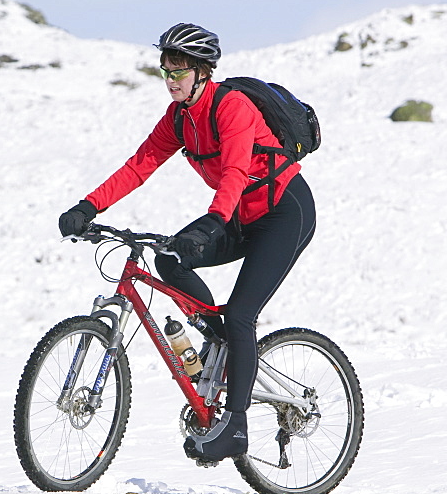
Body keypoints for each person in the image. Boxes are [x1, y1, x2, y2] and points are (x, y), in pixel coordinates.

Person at [58, 23, 316, 462]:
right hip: (236, 212)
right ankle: (222, 343)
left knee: (240, 314)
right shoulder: (179, 118)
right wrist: (89, 206)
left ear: (202, 72)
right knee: (169, 260)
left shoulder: (231, 106)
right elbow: (140, 165)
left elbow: (236, 171)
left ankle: (235, 426)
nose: (171, 80)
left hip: (283, 212)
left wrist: (212, 223)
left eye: (179, 72)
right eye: (166, 72)